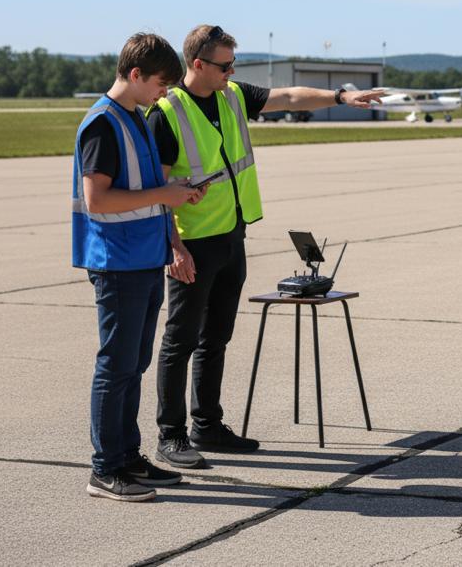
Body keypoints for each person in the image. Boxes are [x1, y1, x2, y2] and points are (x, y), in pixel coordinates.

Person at [148, 24, 383, 469]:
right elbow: (158, 190)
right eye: (225, 65)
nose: (232, 72)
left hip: (231, 237)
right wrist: (173, 248)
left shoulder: (230, 95)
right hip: (192, 243)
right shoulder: (167, 112)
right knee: (180, 341)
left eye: (233, 64)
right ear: (198, 64)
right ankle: (170, 435)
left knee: (215, 338)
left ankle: (207, 426)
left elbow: (288, 98)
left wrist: (341, 98)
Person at [73, 32, 207, 501]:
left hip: (145, 257)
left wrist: (176, 209)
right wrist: (163, 196)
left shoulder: (136, 119)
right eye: (160, 85)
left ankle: (128, 457)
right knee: (116, 365)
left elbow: (150, 190)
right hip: (117, 262)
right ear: (135, 75)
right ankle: (105, 468)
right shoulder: (103, 124)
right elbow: (97, 200)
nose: (165, 94)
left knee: (134, 364)